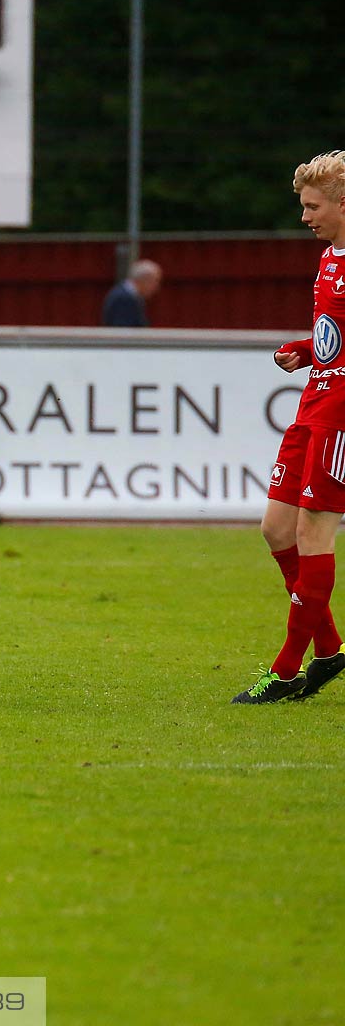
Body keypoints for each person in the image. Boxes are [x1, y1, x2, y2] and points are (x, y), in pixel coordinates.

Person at [236, 150, 345, 703]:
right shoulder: (329, 258)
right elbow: (336, 337)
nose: (305, 216)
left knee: (313, 533)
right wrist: (307, 349)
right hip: (313, 406)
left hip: (341, 417)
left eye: (312, 205)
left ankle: (284, 671)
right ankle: (329, 650)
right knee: (277, 530)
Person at [100, 259, 162, 327]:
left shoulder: (129, 296)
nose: (156, 287)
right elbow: (122, 330)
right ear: (145, 279)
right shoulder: (123, 299)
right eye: (155, 282)